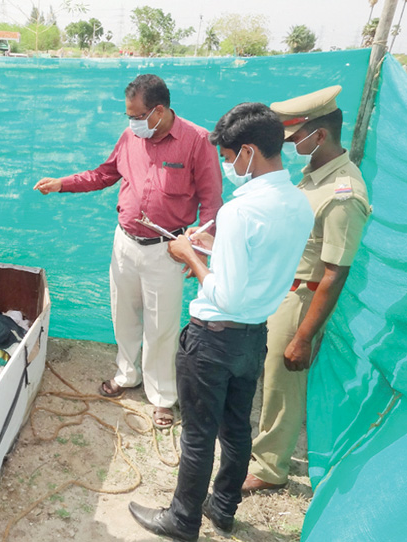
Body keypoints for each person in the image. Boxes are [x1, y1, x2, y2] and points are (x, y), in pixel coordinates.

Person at [128, 102, 313, 541]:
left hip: (212, 341)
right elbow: (261, 262)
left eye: (230, 158)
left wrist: (189, 254)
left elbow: (225, 293)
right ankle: (224, 505)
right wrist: (215, 244)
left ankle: (182, 519)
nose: (229, 165)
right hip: (253, 337)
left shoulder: (240, 210)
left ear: (248, 151)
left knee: (197, 435)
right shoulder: (298, 203)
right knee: (236, 428)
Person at [33, 74, 222, 428]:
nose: (132, 122)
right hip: (125, 243)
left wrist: (199, 249)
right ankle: (127, 374)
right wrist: (62, 184)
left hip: (167, 249)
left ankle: (162, 396)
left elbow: (211, 202)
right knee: (124, 315)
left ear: (159, 111)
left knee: (161, 325)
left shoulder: (197, 141)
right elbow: (104, 174)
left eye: (136, 115)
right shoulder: (131, 136)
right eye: (129, 116)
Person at [243, 86, 372, 493]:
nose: (289, 145)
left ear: (318, 135)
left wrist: (303, 336)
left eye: (294, 138)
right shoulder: (314, 175)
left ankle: (269, 467)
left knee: (283, 384)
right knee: (271, 376)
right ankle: (267, 450)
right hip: (281, 289)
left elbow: (335, 272)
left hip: (303, 297)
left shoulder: (343, 194)